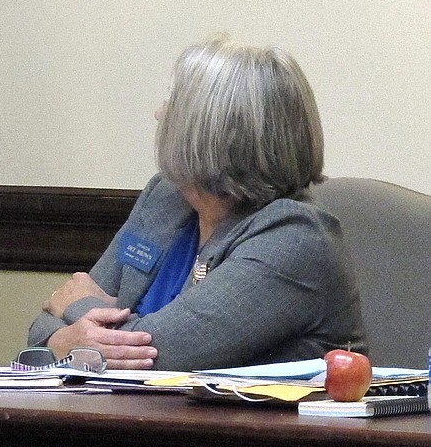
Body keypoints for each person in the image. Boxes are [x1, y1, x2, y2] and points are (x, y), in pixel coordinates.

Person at [28, 35, 366, 372]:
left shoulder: (296, 238)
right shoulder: (165, 198)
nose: (159, 115)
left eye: (174, 105)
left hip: (245, 424)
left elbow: (158, 355)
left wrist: (73, 310)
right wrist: (61, 340)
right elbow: (42, 326)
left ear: (212, 131)